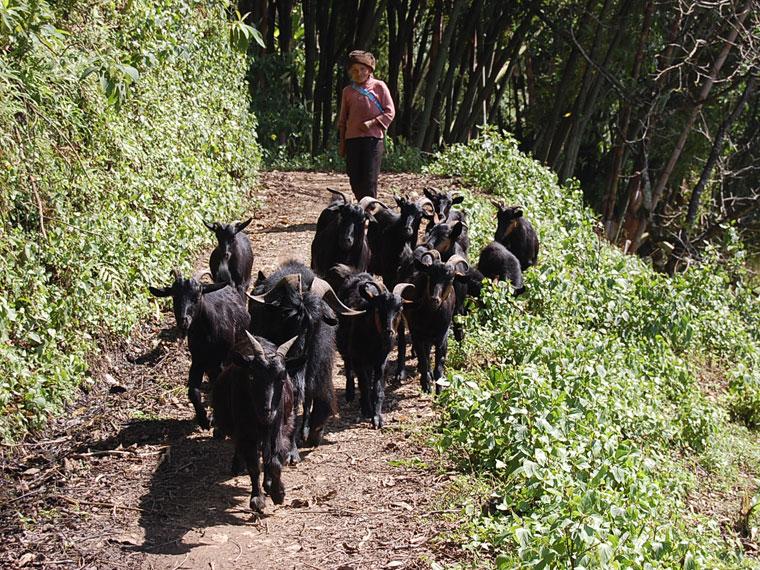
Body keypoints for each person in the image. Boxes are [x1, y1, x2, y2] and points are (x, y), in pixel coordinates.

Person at [338, 50, 395, 200]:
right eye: (355, 70)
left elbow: (390, 112)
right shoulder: (347, 92)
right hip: (352, 140)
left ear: (369, 70)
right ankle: (363, 205)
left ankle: (369, 214)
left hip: (373, 140)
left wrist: (372, 123)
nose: (359, 73)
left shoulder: (379, 87)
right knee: (354, 176)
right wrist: (342, 143)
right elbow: (343, 119)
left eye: (362, 69)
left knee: (369, 179)